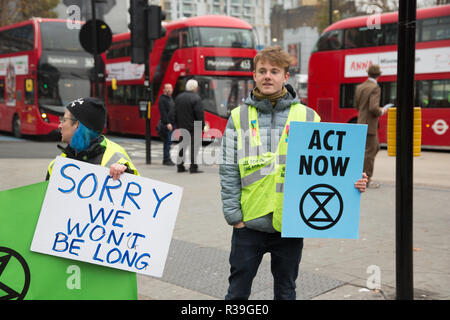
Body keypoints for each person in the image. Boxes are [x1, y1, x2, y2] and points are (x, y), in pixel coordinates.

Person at [219, 46, 368, 300]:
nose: (268, 76)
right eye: (262, 71)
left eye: (274, 71)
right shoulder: (238, 116)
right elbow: (229, 168)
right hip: (249, 224)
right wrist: (235, 217)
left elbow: (329, 168)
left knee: (286, 291)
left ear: (285, 76)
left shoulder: (308, 116)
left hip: (289, 224)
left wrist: (352, 181)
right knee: (237, 293)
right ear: (254, 75)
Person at [46, 97, 139, 180]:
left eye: (64, 120)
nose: (59, 125)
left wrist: (125, 172)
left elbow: (138, 192)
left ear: (77, 125)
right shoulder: (56, 165)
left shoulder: (116, 157)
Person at [354, 64, 388, 189]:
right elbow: (373, 108)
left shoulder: (360, 87)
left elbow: (357, 106)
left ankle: (361, 174)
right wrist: (383, 110)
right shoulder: (375, 88)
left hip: (361, 122)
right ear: (378, 75)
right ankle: (366, 179)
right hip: (370, 124)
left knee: (374, 147)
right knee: (370, 151)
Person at [173, 79, 205, 173]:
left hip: (182, 126)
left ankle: (180, 166)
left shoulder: (179, 97)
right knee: (194, 147)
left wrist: (177, 124)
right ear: (194, 87)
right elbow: (199, 114)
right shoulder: (196, 98)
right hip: (194, 127)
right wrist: (202, 126)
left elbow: (174, 112)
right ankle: (193, 167)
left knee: (182, 146)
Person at [159, 83, 176, 166]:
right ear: (164, 90)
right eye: (167, 88)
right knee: (167, 142)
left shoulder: (170, 98)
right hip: (167, 124)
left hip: (172, 123)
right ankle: (166, 159)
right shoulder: (162, 99)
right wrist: (167, 123)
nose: (169, 90)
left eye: (170, 88)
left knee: (169, 142)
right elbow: (163, 112)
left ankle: (167, 158)